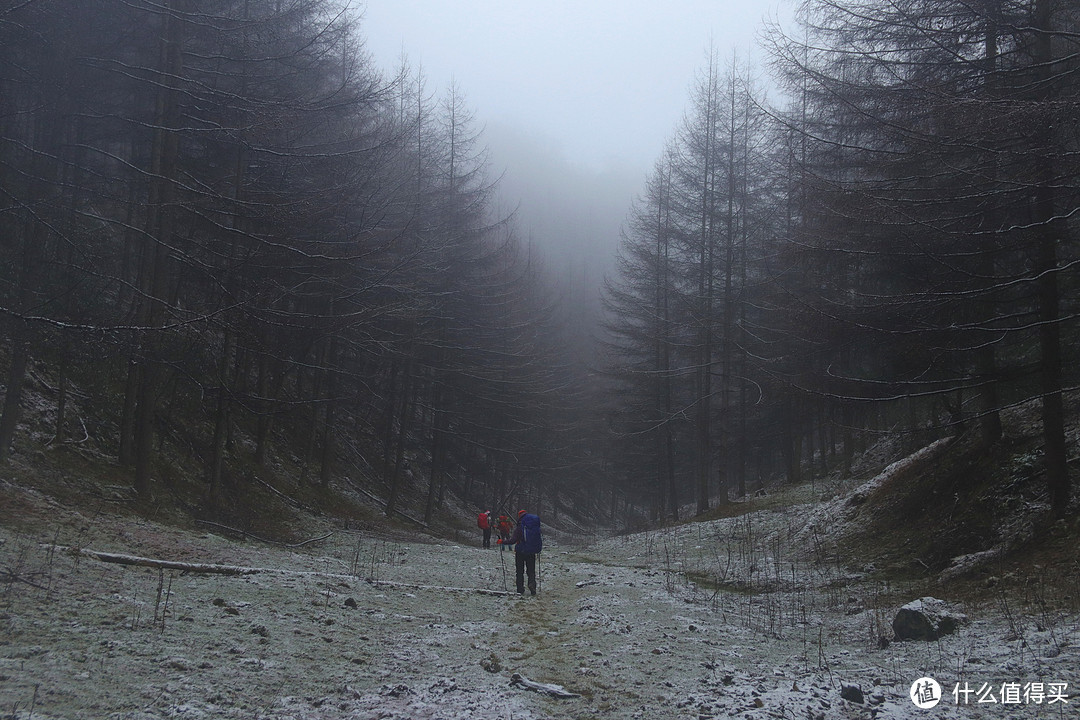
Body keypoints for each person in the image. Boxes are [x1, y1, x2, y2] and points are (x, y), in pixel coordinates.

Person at [509, 509, 542, 595]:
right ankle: (532, 585)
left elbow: (513, 540)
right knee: (531, 571)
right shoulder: (533, 525)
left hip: (520, 552)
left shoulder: (520, 527)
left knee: (519, 571)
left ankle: (520, 589)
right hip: (531, 552)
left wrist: (502, 541)